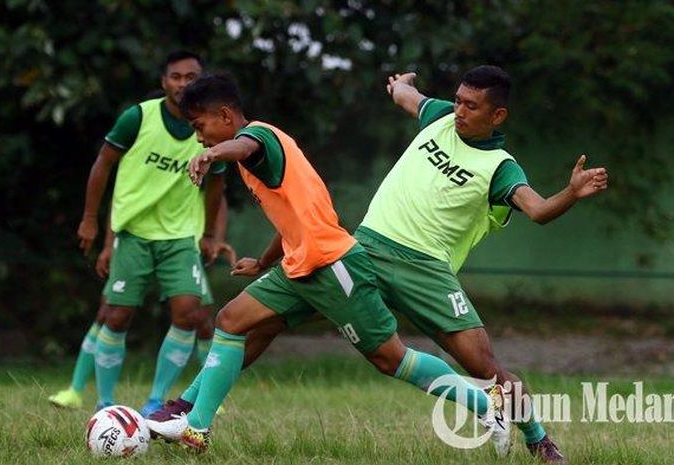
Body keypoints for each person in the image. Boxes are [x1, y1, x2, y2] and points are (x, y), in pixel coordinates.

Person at [150, 66, 607, 463]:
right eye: (458, 101)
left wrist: (569, 192)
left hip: (424, 268)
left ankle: (538, 439)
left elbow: (539, 209)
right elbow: (409, 97)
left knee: (485, 367)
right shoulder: (441, 118)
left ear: (497, 115)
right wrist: (400, 85)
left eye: (471, 106)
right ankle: (189, 412)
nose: (460, 111)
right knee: (252, 322)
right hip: (364, 245)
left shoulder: (501, 167)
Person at [74, 51, 228, 416]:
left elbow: (217, 187)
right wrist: (90, 219)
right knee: (115, 316)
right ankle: (105, 405)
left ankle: (156, 400)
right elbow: (103, 164)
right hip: (134, 234)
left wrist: (210, 235)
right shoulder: (137, 117)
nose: (183, 84)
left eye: (191, 77)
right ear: (164, 82)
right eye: (176, 76)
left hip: (179, 238)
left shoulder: (209, 127)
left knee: (190, 313)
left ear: (201, 81)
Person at [47, 196, 235, 411]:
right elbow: (119, 195)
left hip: (182, 244)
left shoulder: (198, 163)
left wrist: (214, 237)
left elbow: (218, 195)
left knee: (199, 317)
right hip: (135, 241)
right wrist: (109, 244)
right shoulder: (137, 167)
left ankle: (201, 395)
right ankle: (76, 390)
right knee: (108, 312)